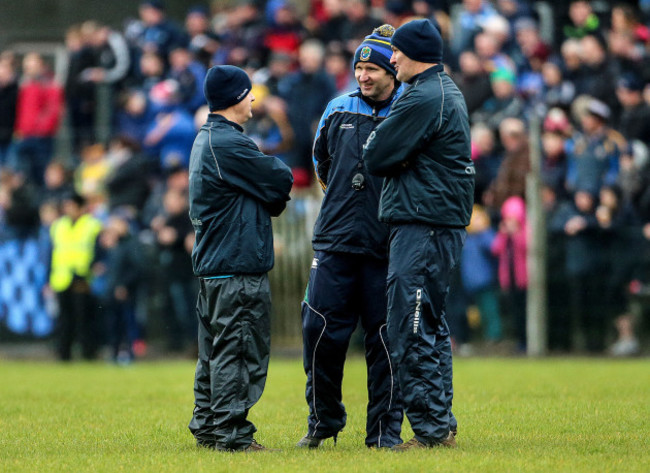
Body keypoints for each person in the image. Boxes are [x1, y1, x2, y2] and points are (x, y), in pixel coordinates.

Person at [363, 18, 475, 450]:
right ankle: (440, 424)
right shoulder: (441, 91)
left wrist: (399, 158)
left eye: (397, 51)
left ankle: (429, 431)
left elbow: (376, 154)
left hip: (422, 223)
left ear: (415, 54)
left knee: (407, 326)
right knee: (426, 322)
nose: (391, 58)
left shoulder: (424, 97)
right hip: (431, 222)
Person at [297, 24, 403, 450]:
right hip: (335, 242)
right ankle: (324, 421)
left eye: (373, 68)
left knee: (385, 342)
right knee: (318, 330)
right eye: (359, 67)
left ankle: (383, 433)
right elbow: (321, 165)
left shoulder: (406, 112)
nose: (364, 74)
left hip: (385, 245)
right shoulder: (337, 108)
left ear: (391, 72)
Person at [187, 65, 293, 452]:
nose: (254, 100)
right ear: (236, 98)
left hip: (217, 266)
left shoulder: (209, 140)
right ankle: (231, 434)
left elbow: (266, 186)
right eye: (250, 93)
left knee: (214, 351)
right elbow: (280, 179)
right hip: (237, 266)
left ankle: (209, 426)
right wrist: (264, 193)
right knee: (239, 348)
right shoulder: (231, 144)